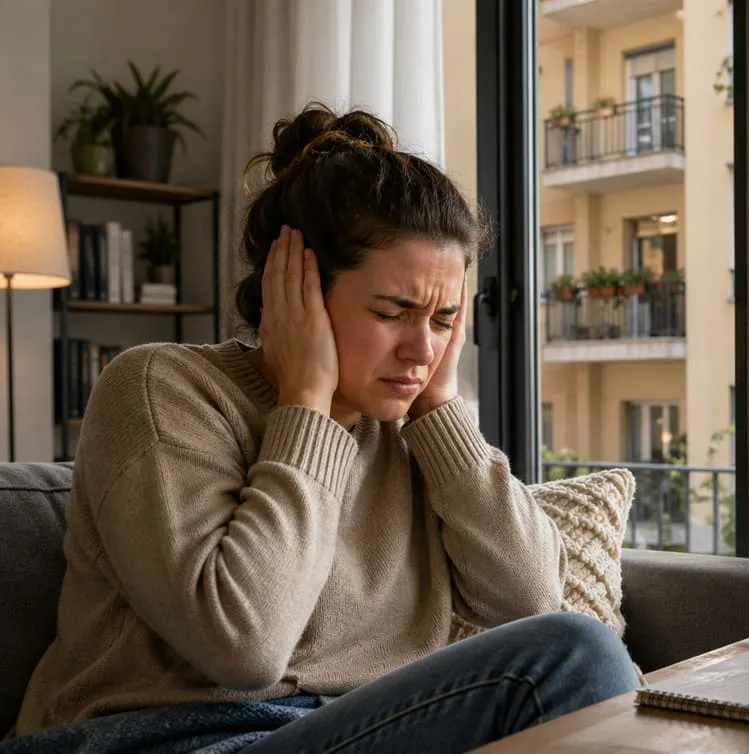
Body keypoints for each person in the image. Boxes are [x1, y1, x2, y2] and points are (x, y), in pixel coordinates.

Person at [2, 104, 640, 753]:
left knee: (572, 652)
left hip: (352, 732)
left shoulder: (415, 426)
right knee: (572, 654)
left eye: (445, 320)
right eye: (395, 312)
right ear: (297, 289)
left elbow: (532, 602)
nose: (423, 350)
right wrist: (310, 405)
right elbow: (243, 646)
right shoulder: (161, 388)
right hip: (166, 742)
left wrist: (442, 410)